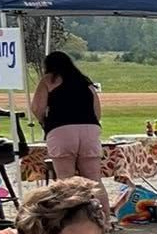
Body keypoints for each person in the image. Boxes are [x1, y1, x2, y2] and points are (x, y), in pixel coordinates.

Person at [30, 52, 103, 182]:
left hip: (60, 130)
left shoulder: (48, 80)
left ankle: (72, 203)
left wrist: (44, 122)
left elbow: (36, 108)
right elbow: (97, 111)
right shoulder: (85, 81)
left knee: (66, 181)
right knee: (94, 180)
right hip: (90, 129)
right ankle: (102, 203)